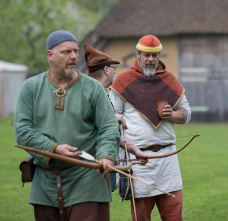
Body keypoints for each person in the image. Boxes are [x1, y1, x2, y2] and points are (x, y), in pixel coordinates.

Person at [14, 30, 120, 221]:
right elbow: (22, 130)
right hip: (45, 184)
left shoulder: (93, 87)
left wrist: (106, 156)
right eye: (66, 52)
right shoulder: (30, 88)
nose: (73, 56)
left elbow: (108, 127)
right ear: (50, 55)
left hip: (87, 180)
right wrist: (53, 149)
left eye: (75, 51)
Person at [109, 35, 191, 221]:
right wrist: (127, 151)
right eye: (146, 55)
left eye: (154, 55)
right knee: (142, 218)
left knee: (174, 216)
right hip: (139, 161)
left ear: (159, 55)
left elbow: (187, 113)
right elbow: (111, 122)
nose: (150, 59)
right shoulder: (123, 81)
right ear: (138, 54)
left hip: (168, 160)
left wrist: (173, 115)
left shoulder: (169, 80)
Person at [83, 44, 148, 191]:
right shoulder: (87, 94)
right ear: (106, 70)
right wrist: (112, 118)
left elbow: (111, 133)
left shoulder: (103, 94)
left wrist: (135, 151)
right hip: (92, 167)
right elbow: (84, 124)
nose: (114, 73)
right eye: (114, 69)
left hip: (105, 164)